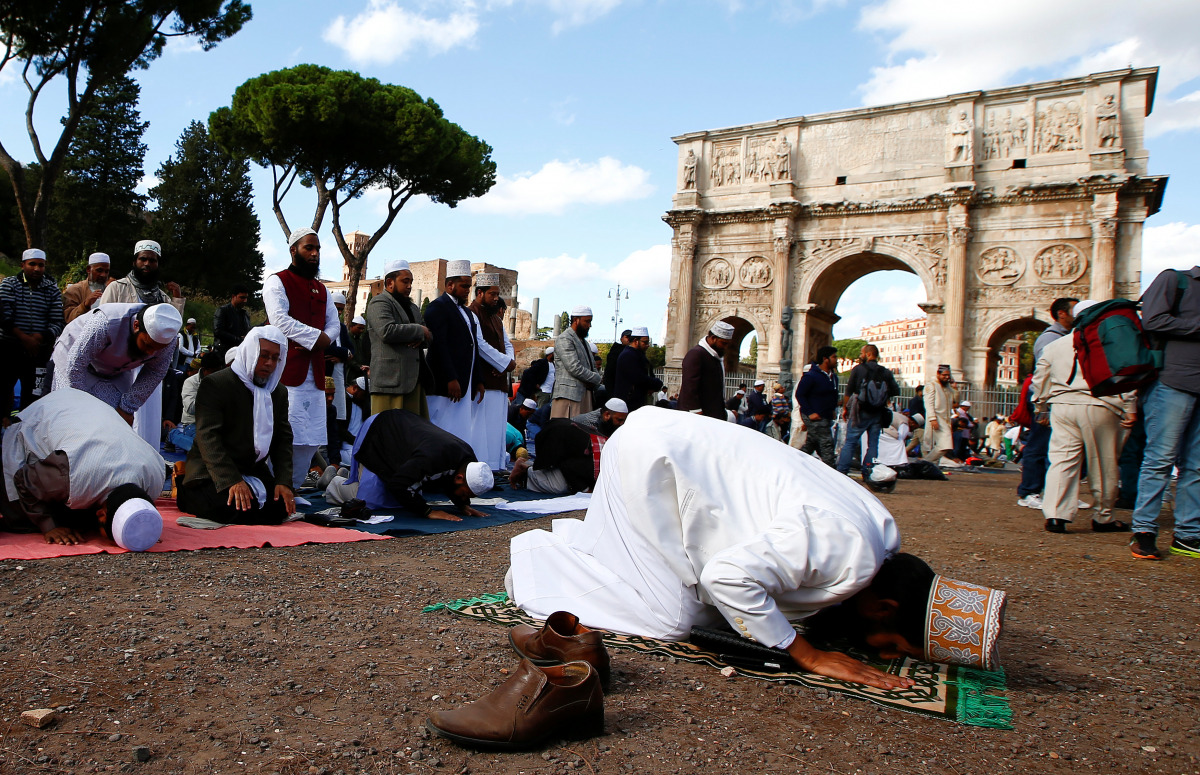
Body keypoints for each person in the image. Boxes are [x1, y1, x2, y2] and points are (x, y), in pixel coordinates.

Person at [508, 408, 996, 690]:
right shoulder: (848, 551)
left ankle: (599, 550)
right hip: (652, 462)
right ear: (886, 607)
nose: (881, 651)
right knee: (673, 620)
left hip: (675, 456)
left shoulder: (880, 539)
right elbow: (725, 577)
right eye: (894, 644)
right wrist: (805, 653)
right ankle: (540, 558)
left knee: (717, 613)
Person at [1, 388, 165, 550]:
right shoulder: (72, 476)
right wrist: (49, 526)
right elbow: (23, 478)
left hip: (84, 408)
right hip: (42, 414)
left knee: (76, 518)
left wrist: (144, 532)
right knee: (20, 518)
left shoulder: (155, 479)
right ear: (101, 515)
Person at [1031, 302, 1134, 534]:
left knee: (1062, 460)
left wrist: (1040, 406)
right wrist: (1131, 405)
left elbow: (1040, 378)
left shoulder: (1056, 345)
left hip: (1063, 406)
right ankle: (1103, 517)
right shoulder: (1108, 342)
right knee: (1104, 463)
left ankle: (1056, 515)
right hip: (1100, 404)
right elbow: (1124, 375)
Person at [177, 327, 296, 525]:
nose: (269, 363)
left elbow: (282, 439)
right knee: (228, 506)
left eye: (275, 358)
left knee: (280, 507)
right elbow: (208, 438)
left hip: (252, 470)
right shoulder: (216, 384)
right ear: (250, 352)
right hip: (211, 470)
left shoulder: (278, 392)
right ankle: (183, 488)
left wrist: (284, 481)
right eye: (263, 355)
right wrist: (231, 480)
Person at [262, 227, 341, 504]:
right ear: (293, 250)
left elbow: (334, 322)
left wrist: (326, 338)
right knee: (285, 432)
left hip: (315, 373)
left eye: (317, 248)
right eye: (309, 248)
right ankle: (273, 487)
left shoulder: (321, 288)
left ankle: (292, 488)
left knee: (310, 436)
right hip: (287, 370)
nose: (315, 253)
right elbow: (278, 319)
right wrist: (314, 338)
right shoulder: (277, 282)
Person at [1130, 265, 1200, 560]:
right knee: (1160, 459)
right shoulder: (1176, 279)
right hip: (1171, 381)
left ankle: (1187, 534)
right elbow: (1153, 319)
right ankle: (1144, 530)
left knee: (1196, 467)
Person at [99, 240, 186, 447]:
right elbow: (102, 323)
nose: (147, 263)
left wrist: (177, 301)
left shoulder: (162, 297)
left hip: (149, 368)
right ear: (135, 261)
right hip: (120, 366)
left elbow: (172, 332)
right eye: (143, 259)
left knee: (147, 419)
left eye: (152, 260)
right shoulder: (117, 288)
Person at [339, 409, 494, 521]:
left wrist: (462, 505)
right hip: (379, 430)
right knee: (373, 502)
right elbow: (398, 484)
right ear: (460, 477)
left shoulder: (468, 461)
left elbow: (450, 479)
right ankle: (335, 482)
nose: (465, 498)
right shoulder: (434, 458)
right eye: (465, 495)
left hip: (403, 435)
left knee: (404, 499)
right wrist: (427, 512)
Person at [51, 303, 181, 426]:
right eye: (147, 345)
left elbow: (155, 372)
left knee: (114, 423)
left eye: (158, 349)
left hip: (115, 371)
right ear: (136, 326)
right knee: (73, 418)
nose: (150, 352)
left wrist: (127, 407)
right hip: (73, 360)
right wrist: (81, 403)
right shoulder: (106, 322)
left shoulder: (169, 342)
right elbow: (76, 363)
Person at [424, 260, 511, 445]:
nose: (466, 290)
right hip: (443, 384)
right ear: (450, 285)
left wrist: (478, 380)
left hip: (464, 382)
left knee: (458, 431)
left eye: (468, 286)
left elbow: (473, 347)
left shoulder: (466, 312)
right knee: (439, 430)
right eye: (463, 286)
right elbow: (440, 346)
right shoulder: (437, 307)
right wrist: (451, 378)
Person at [512, 399, 628, 495]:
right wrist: (584, 488)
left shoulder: (607, 430)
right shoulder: (591, 427)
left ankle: (528, 465)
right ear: (607, 415)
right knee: (559, 487)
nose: (622, 424)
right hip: (560, 453)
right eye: (619, 420)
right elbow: (569, 463)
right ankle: (526, 472)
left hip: (569, 459)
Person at [0, 248, 63, 417]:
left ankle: (26, 433)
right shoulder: (9, 285)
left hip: (38, 352)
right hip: (9, 348)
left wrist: (39, 337)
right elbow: (4, 316)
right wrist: (23, 338)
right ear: (23, 265)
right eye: (32, 264)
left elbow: (58, 322)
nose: (37, 268)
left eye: (41, 265)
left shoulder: (52, 290)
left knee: (34, 395)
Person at [365, 259, 431, 417]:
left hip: (413, 382)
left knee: (412, 434)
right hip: (389, 383)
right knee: (388, 434)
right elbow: (386, 331)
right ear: (390, 282)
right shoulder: (379, 302)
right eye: (405, 281)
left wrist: (421, 335)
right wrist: (418, 330)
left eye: (411, 282)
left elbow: (428, 334)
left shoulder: (413, 307)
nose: (409, 286)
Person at [468, 273, 517, 469]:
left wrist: (507, 362)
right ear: (480, 293)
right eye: (493, 294)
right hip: (484, 382)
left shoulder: (496, 318)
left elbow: (507, 344)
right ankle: (479, 469)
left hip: (499, 382)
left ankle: (495, 467)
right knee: (482, 430)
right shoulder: (472, 313)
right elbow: (479, 345)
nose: (497, 298)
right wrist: (502, 363)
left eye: (497, 294)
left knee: (496, 429)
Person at [836, 344, 900, 478]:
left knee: (851, 442)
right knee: (873, 444)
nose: (860, 355)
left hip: (860, 411)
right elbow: (895, 391)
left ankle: (842, 472)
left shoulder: (858, 369)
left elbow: (849, 390)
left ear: (868, 354)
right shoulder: (885, 372)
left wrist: (845, 408)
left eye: (862, 353)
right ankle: (868, 471)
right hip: (878, 413)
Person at [551, 306, 602, 419]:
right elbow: (574, 367)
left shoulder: (584, 342)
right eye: (587, 321)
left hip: (585, 395)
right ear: (576, 320)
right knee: (565, 432)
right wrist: (597, 379)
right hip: (569, 396)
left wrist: (595, 378)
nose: (589, 325)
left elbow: (592, 365)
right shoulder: (565, 338)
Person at [169, 350, 225, 452]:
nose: (217, 375)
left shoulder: (222, 381)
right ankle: (173, 435)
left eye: (219, 371)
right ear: (204, 370)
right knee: (206, 450)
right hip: (193, 424)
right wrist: (211, 395)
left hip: (216, 425)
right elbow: (190, 408)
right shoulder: (191, 382)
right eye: (214, 372)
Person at [678, 321, 733, 419]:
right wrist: (696, 411)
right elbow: (689, 386)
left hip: (712, 414)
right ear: (713, 338)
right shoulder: (696, 354)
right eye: (723, 343)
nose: (725, 347)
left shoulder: (715, 357)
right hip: (698, 416)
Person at [795, 345, 839, 466]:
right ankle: (831, 470)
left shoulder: (833, 377)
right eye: (834, 357)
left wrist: (833, 409)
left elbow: (833, 395)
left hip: (826, 415)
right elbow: (800, 394)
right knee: (826, 444)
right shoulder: (811, 376)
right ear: (825, 359)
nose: (837, 360)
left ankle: (795, 462)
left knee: (812, 442)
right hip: (815, 416)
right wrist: (810, 413)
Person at [612, 326, 662, 411]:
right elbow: (638, 378)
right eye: (645, 342)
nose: (647, 345)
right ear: (636, 341)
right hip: (630, 402)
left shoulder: (638, 354)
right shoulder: (628, 355)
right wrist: (657, 383)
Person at [325, 290, 355, 427]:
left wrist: (343, 357)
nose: (339, 312)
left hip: (340, 374)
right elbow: (326, 348)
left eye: (341, 309)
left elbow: (351, 350)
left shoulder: (342, 327)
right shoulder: (322, 324)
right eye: (336, 308)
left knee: (338, 414)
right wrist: (345, 353)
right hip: (326, 375)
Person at [61, 252, 112, 324]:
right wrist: (85, 305)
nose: (103, 275)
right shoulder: (75, 290)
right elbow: (68, 318)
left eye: (106, 271)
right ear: (88, 269)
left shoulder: (111, 290)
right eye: (99, 270)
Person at [923, 365, 956, 464]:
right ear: (938, 374)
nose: (946, 377)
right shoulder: (931, 385)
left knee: (943, 445)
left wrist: (955, 387)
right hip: (936, 418)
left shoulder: (947, 388)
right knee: (945, 445)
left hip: (945, 419)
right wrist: (932, 418)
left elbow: (956, 401)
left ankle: (928, 462)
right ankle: (926, 461)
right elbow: (928, 404)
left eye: (948, 375)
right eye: (944, 375)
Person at [213, 284, 252, 357]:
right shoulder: (223, 311)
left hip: (239, 353)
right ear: (233, 296)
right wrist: (238, 339)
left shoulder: (245, 314)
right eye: (242, 297)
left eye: (246, 298)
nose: (245, 301)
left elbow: (248, 330)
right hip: (223, 353)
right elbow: (218, 331)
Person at [602, 329, 632, 396]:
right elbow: (610, 371)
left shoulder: (633, 353)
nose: (629, 339)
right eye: (627, 337)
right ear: (621, 339)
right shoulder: (615, 352)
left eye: (631, 337)